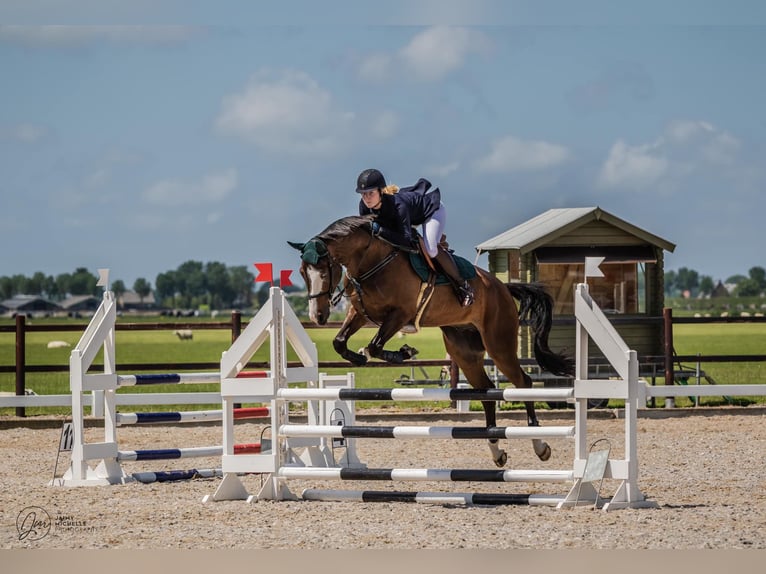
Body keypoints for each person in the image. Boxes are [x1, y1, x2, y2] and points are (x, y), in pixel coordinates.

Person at [355, 168, 474, 307]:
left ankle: (463, 286)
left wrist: (381, 231)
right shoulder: (364, 207)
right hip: (409, 218)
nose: (367, 198)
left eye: (371, 193)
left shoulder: (399, 206)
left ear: (381, 191)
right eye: (363, 194)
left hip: (431, 212)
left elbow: (406, 240)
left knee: (431, 249)